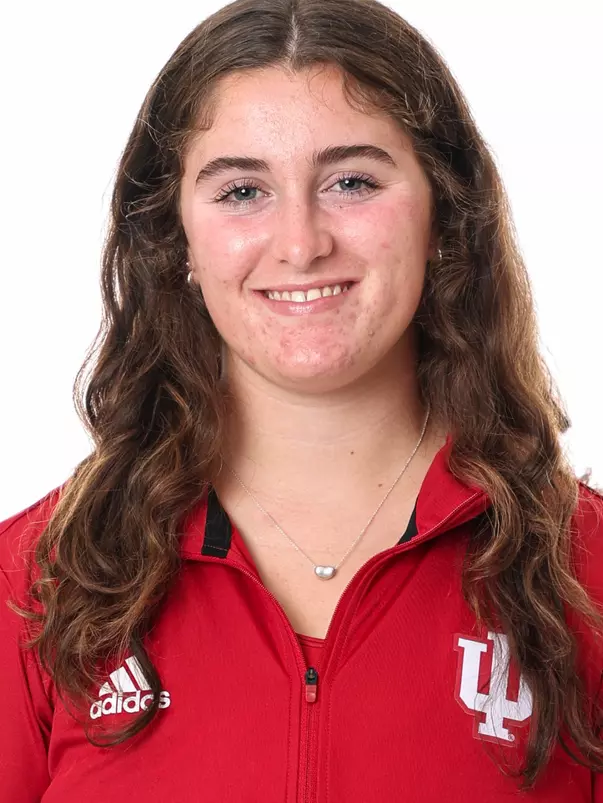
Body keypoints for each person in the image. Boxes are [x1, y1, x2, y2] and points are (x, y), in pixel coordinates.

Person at [1, 0, 602, 800]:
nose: (299, 241)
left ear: (444, 216)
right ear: (175, 237)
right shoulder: (34, 583)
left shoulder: (584, 578)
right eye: (242, 190)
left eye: (351, 181)